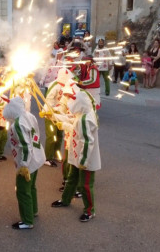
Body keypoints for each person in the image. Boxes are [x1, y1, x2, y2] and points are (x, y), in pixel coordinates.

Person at [51, 91, 101, 222]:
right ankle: (66, 199)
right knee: (71, 178)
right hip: (77, 154)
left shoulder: (86, 119)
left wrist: (83, 160)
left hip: (85, 158)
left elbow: (87, 141)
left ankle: (90, 210)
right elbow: (74, 123)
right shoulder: (85, 113)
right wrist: (57, 117)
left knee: (85, 185)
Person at [3, 96, 46, 229]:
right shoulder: (29, 116)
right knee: (31, 187)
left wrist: (24, 165)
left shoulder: (17, 124)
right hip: (37, 156)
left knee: (22, 190)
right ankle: (33, 210)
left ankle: (27, 221)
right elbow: (36, 135)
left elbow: (26, 146)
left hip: (26, 161)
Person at [41, 68, 76, 167]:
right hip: (50, 113)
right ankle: (48, 158)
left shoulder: (66, 86)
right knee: (52, 136)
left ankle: (56, 155)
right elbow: (49, 99)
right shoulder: (54, 86)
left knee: (60, 135)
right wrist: (51, 110)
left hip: (61, 114)